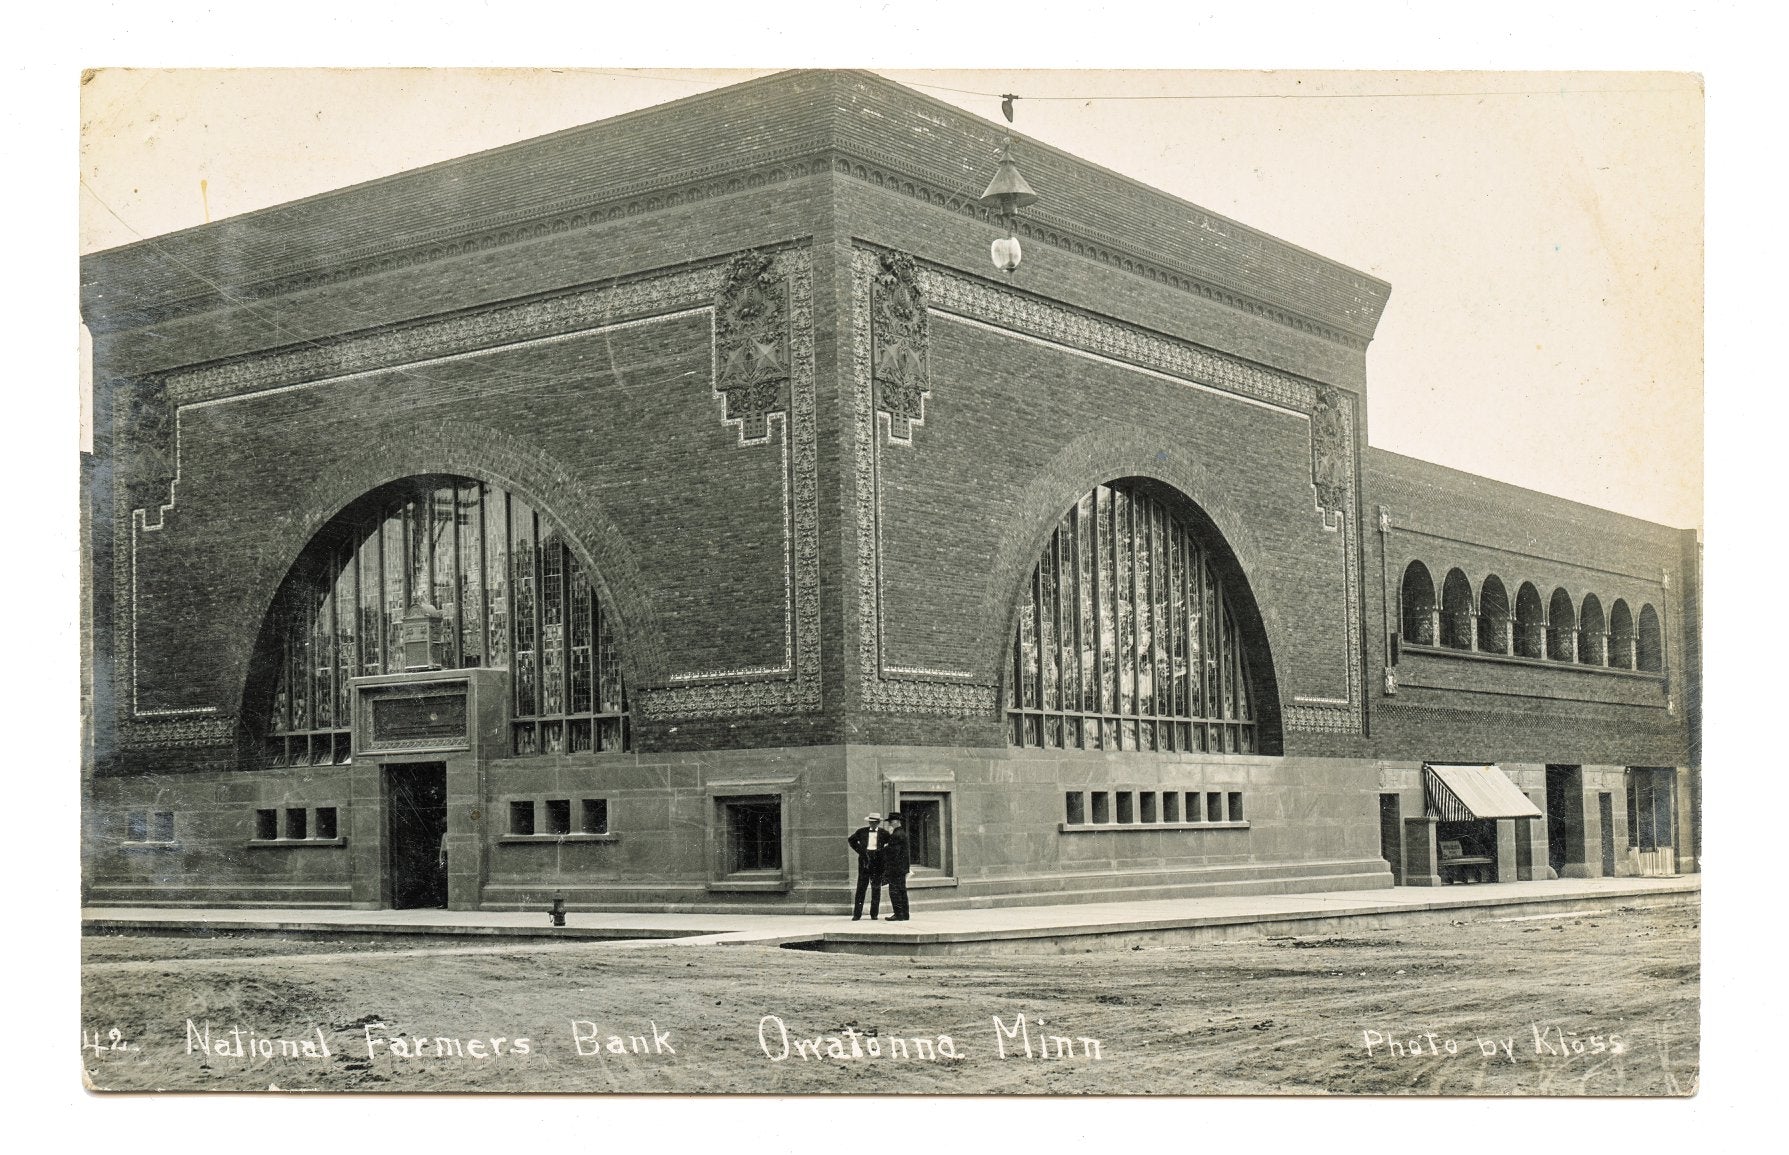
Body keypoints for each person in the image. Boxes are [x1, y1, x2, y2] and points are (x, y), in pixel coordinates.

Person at [846, 812, 885, 920]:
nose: (872, 824)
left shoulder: (883, 833)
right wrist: (861, 851)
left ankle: (874, 914)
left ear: (878, 823)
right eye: (870, 822)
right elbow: (851, 840)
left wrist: (881, 852)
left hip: (877, 862)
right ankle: (857, 914)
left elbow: (890, 844)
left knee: (876, 888)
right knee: (861, 888)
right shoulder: (861, 831)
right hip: (865, 861)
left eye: (874, 823)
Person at [881, 813, 912, 921]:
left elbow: (893, 852)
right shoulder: (901, 832)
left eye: (891, 821)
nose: (889, 823)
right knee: (902, 890)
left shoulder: (896, 834)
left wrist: (885, 848)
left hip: (895, 868)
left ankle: (898, 914)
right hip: (901, 868)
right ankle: (904, 914)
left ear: (896, 821)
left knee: (894, 891)